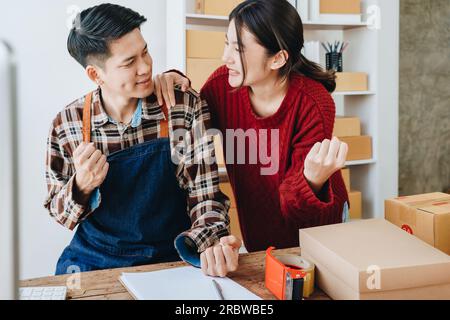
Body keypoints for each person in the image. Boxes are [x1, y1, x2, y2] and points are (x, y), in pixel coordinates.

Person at [44, 3, 240, 277]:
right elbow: (59, 213)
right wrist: (81, 185)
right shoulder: (68, 125)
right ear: (95, 74)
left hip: (171, 254)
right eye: (128, 63)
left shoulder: (181, 107)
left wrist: (208, 244)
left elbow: (206, 196)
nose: (145, 67)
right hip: (94, 260)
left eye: (145, 52)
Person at [154, 0, 350, 252]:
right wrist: (177, 84)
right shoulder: (221, 86)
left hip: (317, 230)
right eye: (227, 43)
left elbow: (296, 208)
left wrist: (310, 180)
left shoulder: (314, 102)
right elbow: (191, 123)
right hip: (259, 234)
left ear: (277, 58)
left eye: (238, 49)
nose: (226, 58)